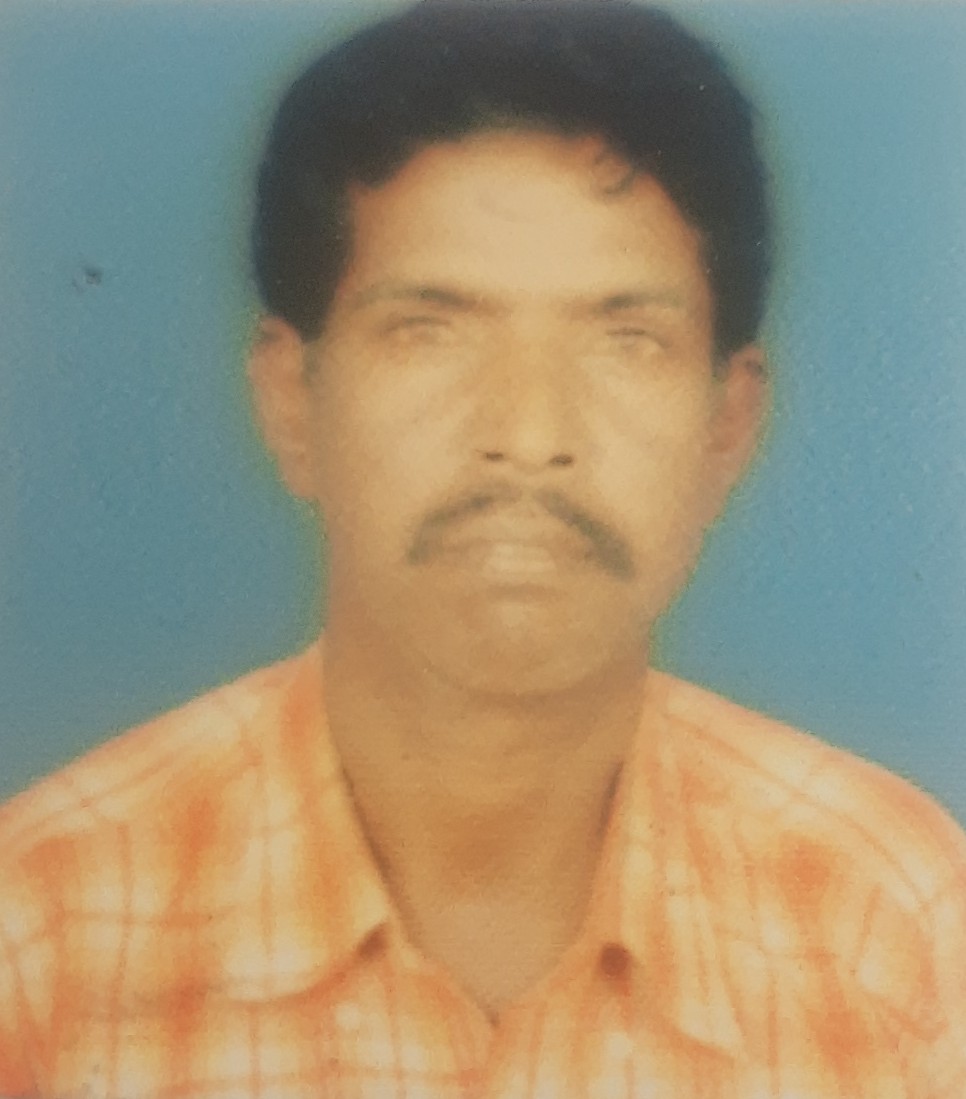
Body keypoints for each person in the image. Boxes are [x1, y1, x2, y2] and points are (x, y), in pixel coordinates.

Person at [1, 1, 964, 1095]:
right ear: (291, 402)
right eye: (429, 331)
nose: (529, 434)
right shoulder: (41, 938)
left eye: (627, 340)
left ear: (726, 427)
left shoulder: (890, 918)